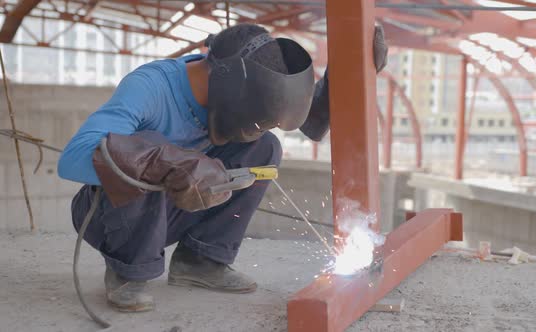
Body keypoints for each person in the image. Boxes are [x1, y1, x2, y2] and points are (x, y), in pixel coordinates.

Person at [58, 23, 388, 313]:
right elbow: (73, 157)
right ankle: (128, 269)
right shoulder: (150, 88)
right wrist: (169, 161)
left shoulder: (235, 93)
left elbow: (306, 122)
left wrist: (350, 72)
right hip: (113, 219)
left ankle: (200, 260)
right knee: (141, 145)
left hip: (180, 207)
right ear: (230, 84)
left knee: (264, 146)